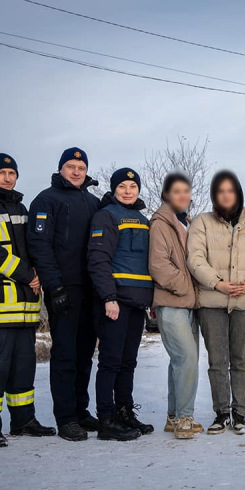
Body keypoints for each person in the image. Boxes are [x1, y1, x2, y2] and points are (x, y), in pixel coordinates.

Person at [0, 153, 56, 447]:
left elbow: (36, 246)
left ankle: (23, 420)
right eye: (2, 172)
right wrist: (28, 275)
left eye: (12, 173)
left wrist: (39, 272)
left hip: (26, 308)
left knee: (23, 369)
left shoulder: (22, 208)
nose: (8, 177)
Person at [187, 170, 245, 435]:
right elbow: (195, 260)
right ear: (215, 195)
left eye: (230, 190)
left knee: (240, 359)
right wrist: (218, 283)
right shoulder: (202, 223)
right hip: (212, 301)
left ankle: (240, 413)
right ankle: (221, 412)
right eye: (220, 191)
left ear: (238, 194)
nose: (226, 195)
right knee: (217, 359)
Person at [28, 147, 101, 441]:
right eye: (70, 166)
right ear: (61, 169)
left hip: (91, 289)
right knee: (66, 355)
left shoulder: (93, 202)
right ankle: (66, 417)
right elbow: (39, 245)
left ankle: (81, 410)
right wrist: (54, 286)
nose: (76, 171)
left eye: (80, 167)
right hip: (64, 289)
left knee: (85, 354)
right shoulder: (46, 200)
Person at [87, 167, 155, 441]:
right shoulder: (106, 216)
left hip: (138, 302)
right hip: (115, 301)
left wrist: (151, 300)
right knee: (111, 361)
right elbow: (98, 260)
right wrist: (108, 297)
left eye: (133, 186)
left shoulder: (142, 218)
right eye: (123, 186)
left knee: (129, 362)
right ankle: (106, 419)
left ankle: (124, 412)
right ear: (114, 189)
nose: (128, 191)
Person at [149, 173, 203, 440]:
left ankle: (173, 417)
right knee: (187, 359)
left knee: (179, 362)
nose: (182, 196)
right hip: (172, 302)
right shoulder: (161, 224)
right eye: (176, 191)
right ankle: (184, 418)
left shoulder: (185, 222)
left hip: (190, 304)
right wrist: (186, 286)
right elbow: (158, 266)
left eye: (186, 191)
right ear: (166, 195)